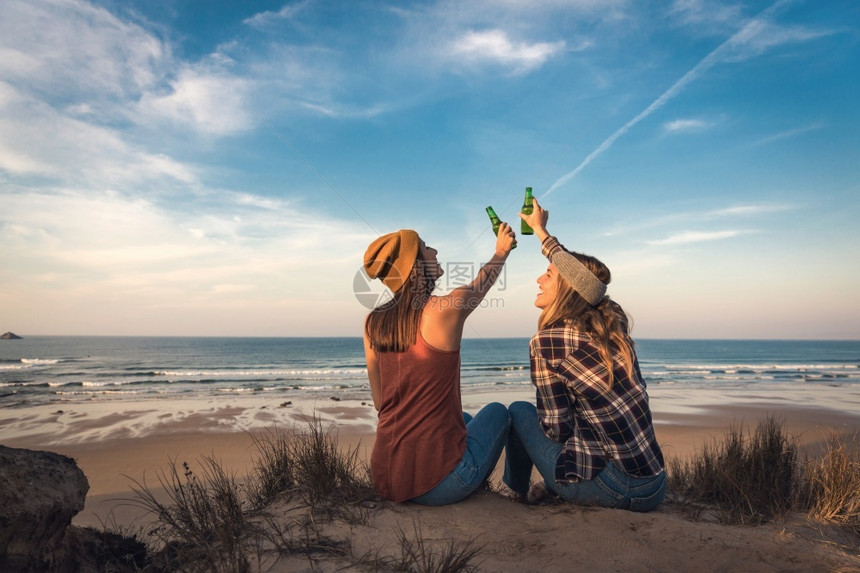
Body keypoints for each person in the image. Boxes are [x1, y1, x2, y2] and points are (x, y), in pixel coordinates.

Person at [502, 198, 665, 511]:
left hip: (612, 489)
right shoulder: (612, 324)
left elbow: (556, 429)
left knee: (519, 412)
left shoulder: (547, 341)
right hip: (654, 487)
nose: (538, 280)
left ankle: (514, 494)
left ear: (568, 287)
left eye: (548, 275)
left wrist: (540, 231)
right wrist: (541, 233)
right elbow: (591, 288)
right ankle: (543, 487)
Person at [362, 223, 516, 505]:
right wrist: (502, 251)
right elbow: (481, 283)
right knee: (499, 412)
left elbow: (379, 400)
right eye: (426, 246)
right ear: (415, 265)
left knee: (466, 421)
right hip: (441, 483)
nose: (434, 251)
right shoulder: (446, 309)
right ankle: (517, 491)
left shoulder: (373, 322)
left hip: (386, 479)